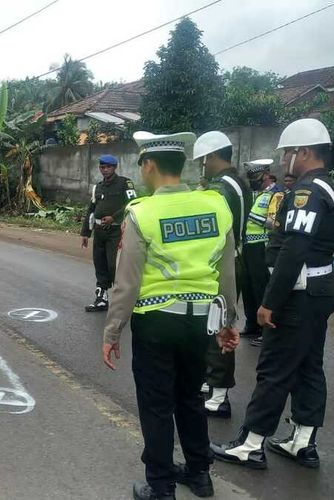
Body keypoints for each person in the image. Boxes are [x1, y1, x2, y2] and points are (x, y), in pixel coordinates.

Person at [103, 131, 239, 500]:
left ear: (149, 165)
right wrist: (228, 323)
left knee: (157, 404)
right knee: (191, 397)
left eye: (141, 164)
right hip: (200, 321)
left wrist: (112, 331)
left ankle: (161, 485)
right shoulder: (215, 205)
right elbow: (227, 272)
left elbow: (126, 283)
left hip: (156, 322)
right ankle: (199, 474)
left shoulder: (142, 212)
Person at [211, 118, 334, 470]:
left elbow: (293, 251)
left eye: (288, 153)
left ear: (305, 153)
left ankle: (251, 444)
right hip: (320, 290)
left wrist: (268, 303)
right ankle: (303, 440)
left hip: (298, 294)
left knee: (274, 368)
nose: (283, 161)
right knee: (309, 365)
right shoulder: (328, 188)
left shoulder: (306, 193)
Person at [192, 131, 252, 418]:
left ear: (213, 156)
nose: (202, 164)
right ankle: (211, 384)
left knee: (218, 323)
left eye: (203, 159)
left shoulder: (220, 190)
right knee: (215, 322)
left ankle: (218, 394)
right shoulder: (237, 182)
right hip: (235, 258)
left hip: (221, 263)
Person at [80, 154, 137, 312]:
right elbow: (91, 210)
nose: (104, 170)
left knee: (115, 265)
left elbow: (132, 203)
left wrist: (114, 217)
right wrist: (86, 233)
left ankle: (125, 299)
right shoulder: (97, 187)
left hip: (116, 231)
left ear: (115, 167)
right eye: (102, 167)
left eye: (108, 167)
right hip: (99, 232)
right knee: (100, 265)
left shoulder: (125, 184)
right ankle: (101, 299)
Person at [240, 159, 281, 347]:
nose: (252, 181)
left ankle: (266, 331)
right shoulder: (256, 194)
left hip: (262, 246)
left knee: (260, 287)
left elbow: (274, 223)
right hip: (249, 245)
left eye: (255, 177)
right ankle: (252, 325)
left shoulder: (276, 194)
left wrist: (251, 216)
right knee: (247, 286)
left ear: (265, 175)